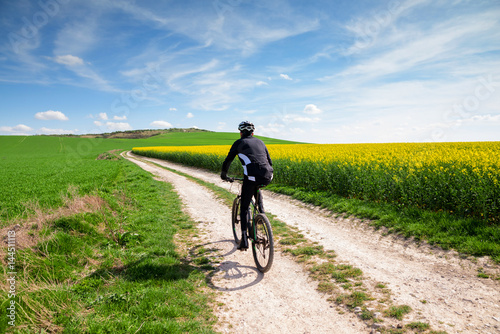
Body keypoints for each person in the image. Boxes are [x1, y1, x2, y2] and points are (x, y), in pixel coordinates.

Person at [221, 121, 273, 250]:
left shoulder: (239, 143)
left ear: (240, 132)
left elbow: (228, 160)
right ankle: (262, 214)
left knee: (244, 207)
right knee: (256, 186)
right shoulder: (260, 142)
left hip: (251, 177)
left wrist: (224, 174)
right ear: (253, 133)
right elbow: (269, 161)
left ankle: (244, 240)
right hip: (268, 175)